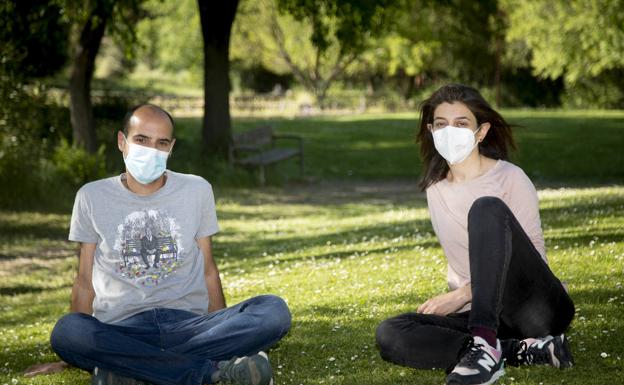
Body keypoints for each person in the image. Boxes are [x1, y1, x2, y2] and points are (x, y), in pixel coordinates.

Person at [25, 104, 291, 385]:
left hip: (190, 326)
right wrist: (69, 356)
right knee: (68, 331)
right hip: (122, 328)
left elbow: (208, 269)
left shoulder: (197, 190)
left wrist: (220, 323)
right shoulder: (91, 196)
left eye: (161, 142)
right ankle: (210, 372)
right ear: (121, 142)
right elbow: (83, 281)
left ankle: (128, 369)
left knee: (273, 311)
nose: (151, 150)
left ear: (171, 147)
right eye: (141, 139)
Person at [375, 84, 575, 385]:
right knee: (390, 332)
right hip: (482, 313)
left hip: (535, 309)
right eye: (441, 124)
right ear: (431, 130)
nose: (449, 131)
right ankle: (511, 351)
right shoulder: (436, 187)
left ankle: (485, 347)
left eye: (461, 123)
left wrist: (462, 294)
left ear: (481, 132)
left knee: (485, 209)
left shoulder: (509, 177)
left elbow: (534, 260)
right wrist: (464, 298)